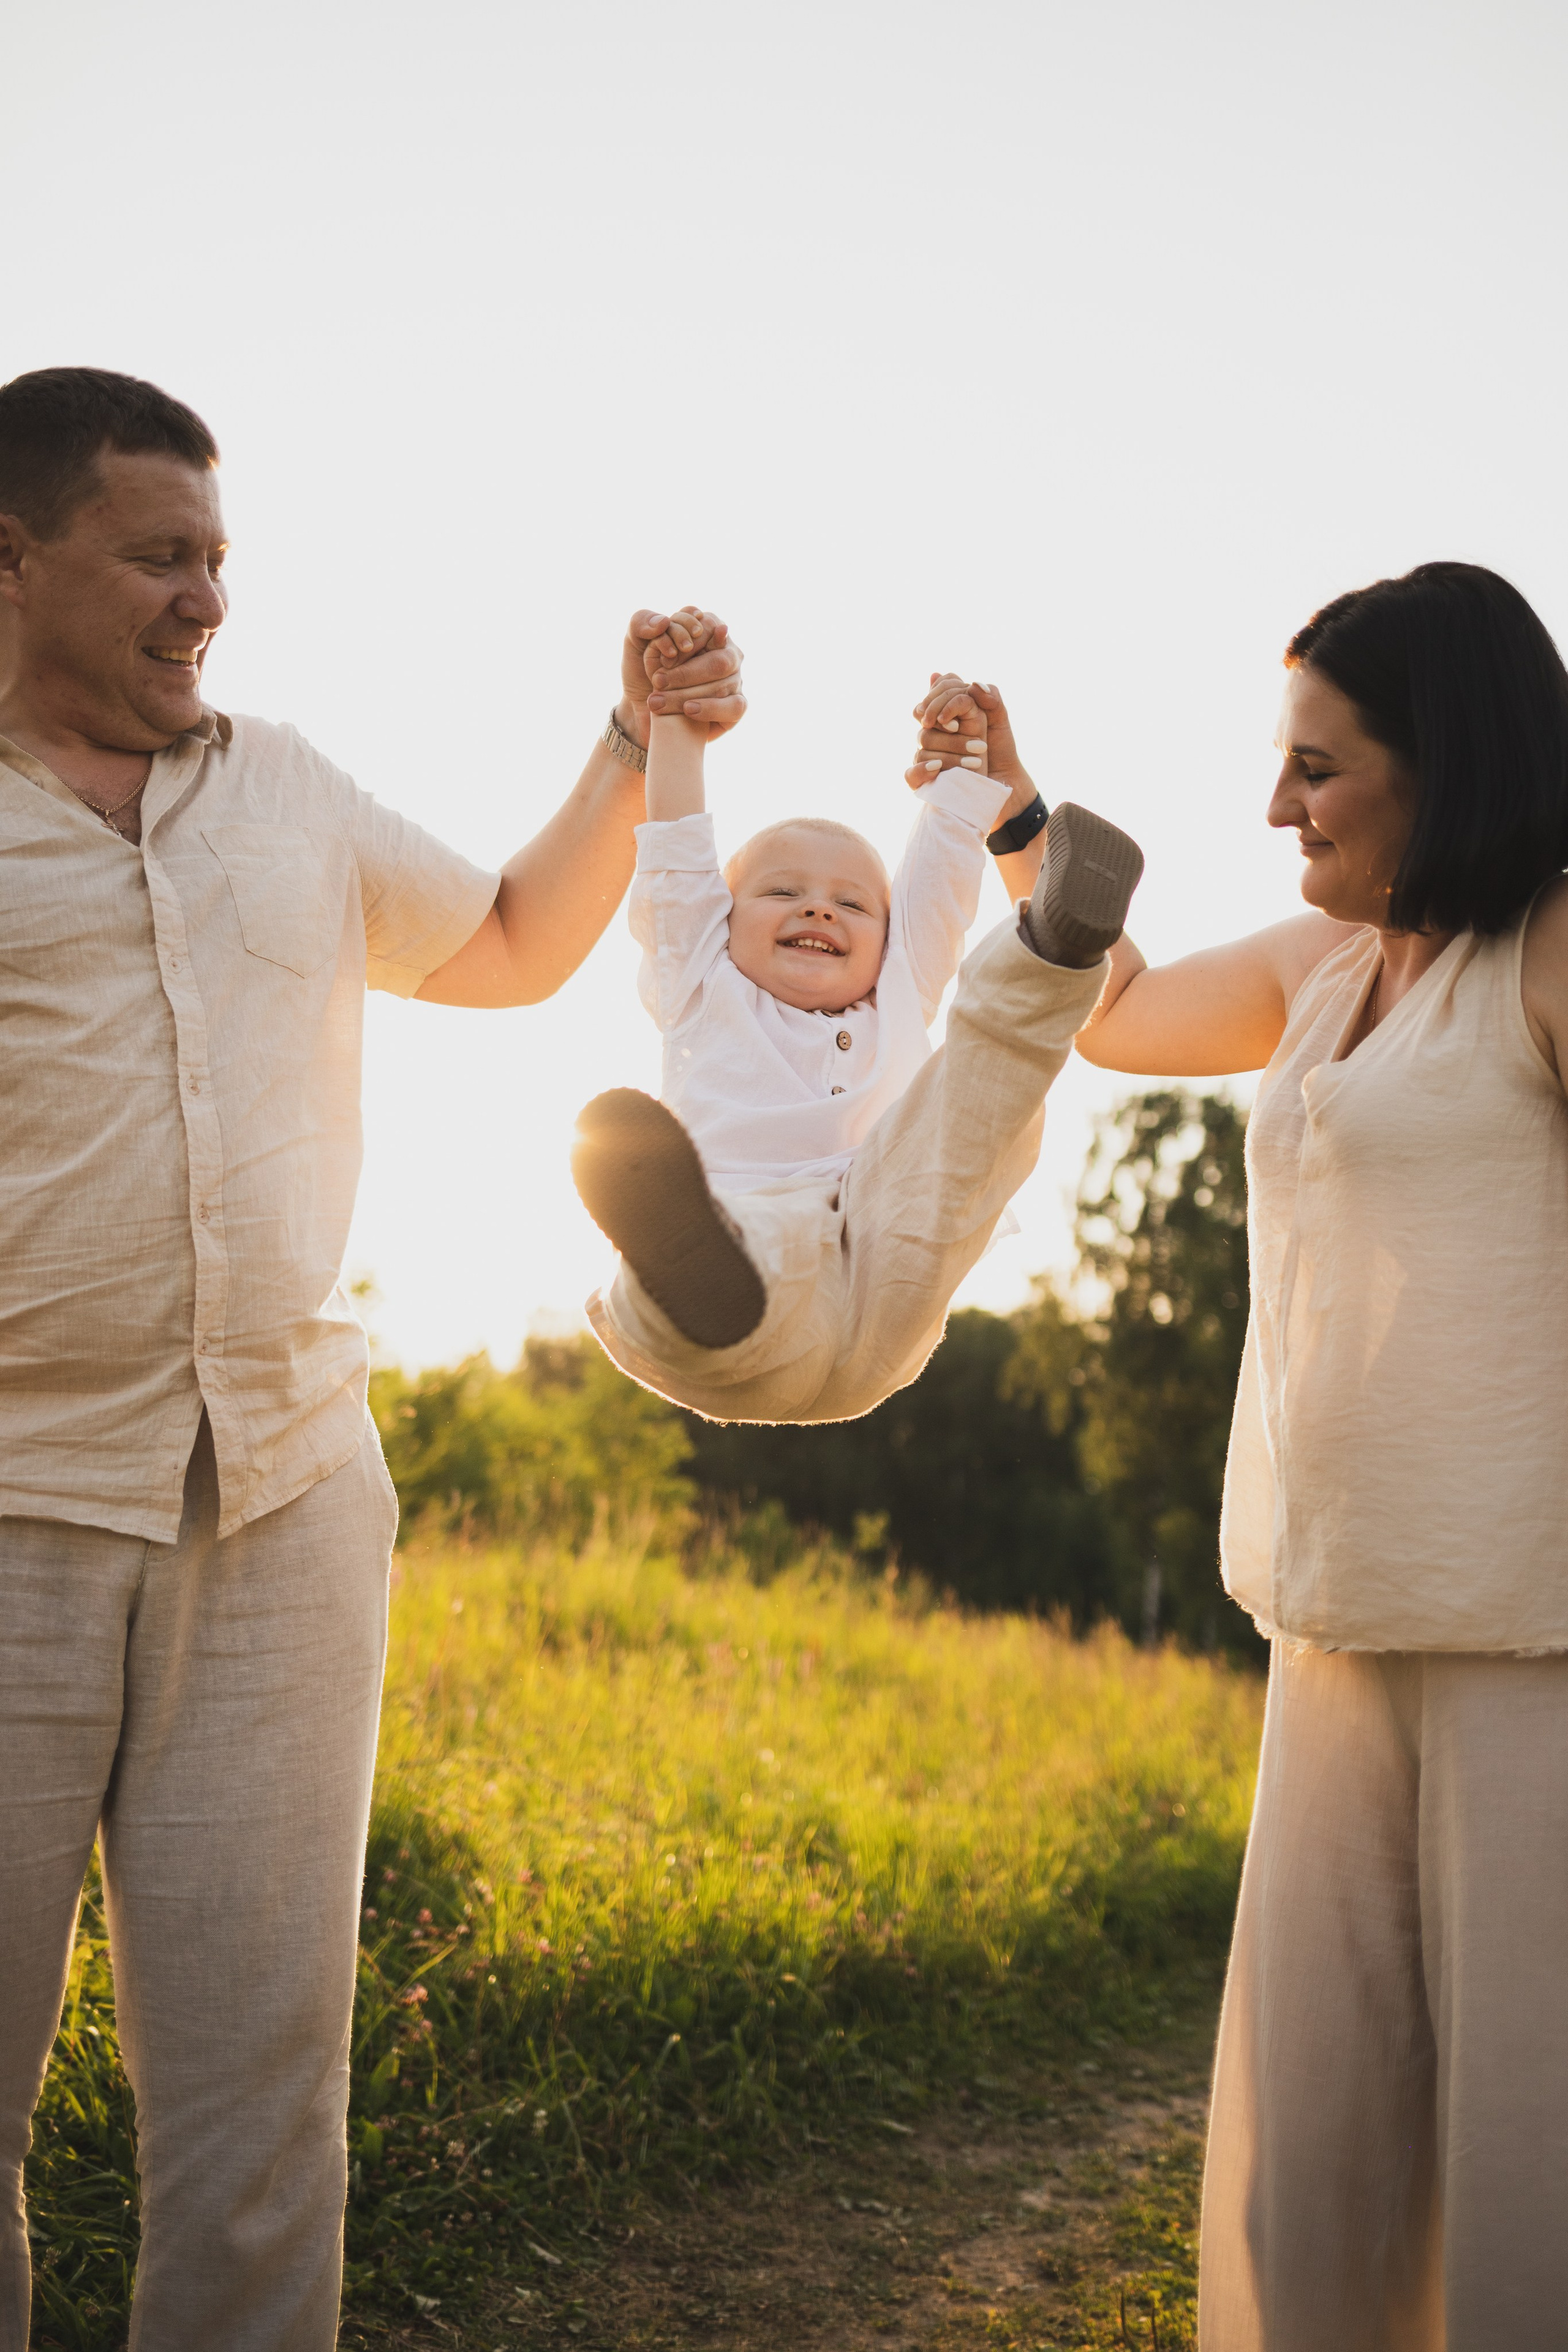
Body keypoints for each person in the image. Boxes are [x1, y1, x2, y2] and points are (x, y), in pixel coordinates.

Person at [0, 364, 743, 2351]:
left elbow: (505, 942)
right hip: (11, 1524)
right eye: (157, 556)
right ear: (14, 560)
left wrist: (631, 739)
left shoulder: (290, 792)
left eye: (219, 562)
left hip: (288, 1514)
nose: (203, 602)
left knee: (259, 2120)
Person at [1009, 559, 1568, 2348]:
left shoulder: (1547, 949)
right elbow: (1116, 1015)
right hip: (1327, 1622)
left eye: (1317, 767)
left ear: (1448, 762)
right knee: (1307, 2162)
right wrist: (1019, 820)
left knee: (1527, 2168)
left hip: (1532, 1645)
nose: (1272, 805)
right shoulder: (1329, 961)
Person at [570, 642, 1144, 1423]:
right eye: (783, 891)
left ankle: (1052, 954)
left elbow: (939, 880)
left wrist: (965, 773)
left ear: (888, 940)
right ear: (718, 923)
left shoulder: (898, 992)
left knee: (965, 1110)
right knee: (743, 1258)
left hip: (885, 1265)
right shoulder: (701, 985)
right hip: (741, 1283)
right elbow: (674, 854)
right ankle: (687, 1264)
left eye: (852, 903)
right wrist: (677, 720)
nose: (819, 910)